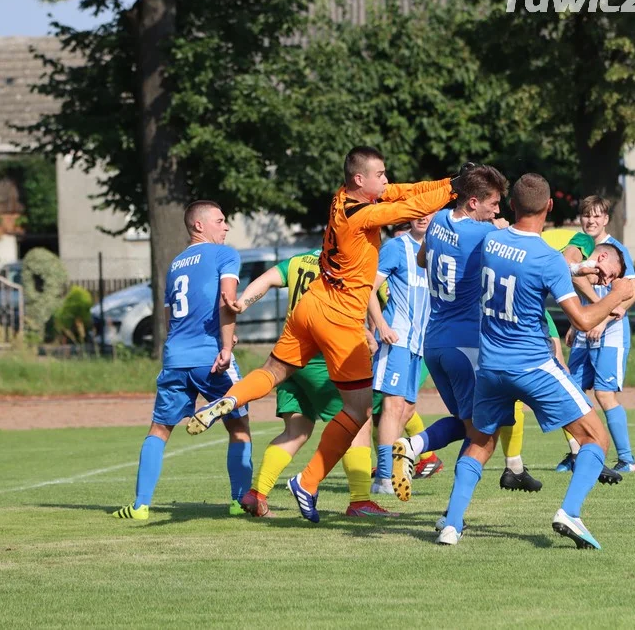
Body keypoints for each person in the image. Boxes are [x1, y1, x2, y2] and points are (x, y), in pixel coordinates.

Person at [188, 146, 456, 523]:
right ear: (360, 180)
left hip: (309, 307)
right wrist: (452, 193)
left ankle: (228, 402)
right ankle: (314, 483)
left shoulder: (342, 197)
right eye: (380, 174)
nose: (386, 179)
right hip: (341, 319)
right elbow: (404, 209)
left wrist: (448, 183)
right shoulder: (361, 214)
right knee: (359, 411)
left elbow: (398, 193)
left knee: (271, 372)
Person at [436, 174, 631, 549]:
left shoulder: (492, 241)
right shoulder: (545, 257)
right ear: (549, 207)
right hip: (532, 366)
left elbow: (528, 265)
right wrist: (617, 293)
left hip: (491, 367)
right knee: (595, 437)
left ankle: (452, 525)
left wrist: (579, 269)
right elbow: (585, 320)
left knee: (480, 441)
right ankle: (570, 512)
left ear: (512, 206)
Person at [391, 165, 545, 501]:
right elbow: (523, 262)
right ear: (473, 202)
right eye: (492, 204)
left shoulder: (439, 220)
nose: (497, 211)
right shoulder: (484, 235)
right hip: (466, 346)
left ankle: (443, 498)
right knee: (481, 433)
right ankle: (415, 448)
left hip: (434, 342)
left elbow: (421, 260)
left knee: (469, 425)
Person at [112, 201, 252, 520]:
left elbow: (167, 319)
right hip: (212, 356)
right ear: (199, 226)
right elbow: (227, 302)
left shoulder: (174, 265)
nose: (226, 227)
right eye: (221, 220)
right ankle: (239, 500)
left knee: (159, 429)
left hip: (175, 357)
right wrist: (227, 344)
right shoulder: (225, 254)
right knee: (239, 425)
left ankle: (140, 505)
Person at [233, 249, 394, 518]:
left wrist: (242, 303)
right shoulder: (351, 261)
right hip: (326, 359)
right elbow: (372, 298)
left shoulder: (299, 260)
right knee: (359, 421)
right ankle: (360, 501)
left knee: (296, 430)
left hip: (291, 356)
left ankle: (257, 493)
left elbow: (266, 279)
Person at [565, 196, 635, 473]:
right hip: (586, 329)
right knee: (571, 391)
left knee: (604, 394)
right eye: (586, 215)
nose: (591, 220)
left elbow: (632, 294)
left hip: (610, 333)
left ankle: (627, 459)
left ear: (606, 219)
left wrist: (602, 322)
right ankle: (576, 455)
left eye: (597, 216)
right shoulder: (580, 248)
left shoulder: (617, 250)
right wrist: (577, 323)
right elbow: (581, 295)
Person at [366, 215, 431, 495]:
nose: (423, 217)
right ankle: (383, 477)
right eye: (417, 212)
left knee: (406, 410)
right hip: (397, 338)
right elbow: (368, 289)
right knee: (392, 406)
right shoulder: (396, 247)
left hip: (421, 343)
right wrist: (380, 325)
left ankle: (389, 464)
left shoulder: (438, 250)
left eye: (428, 213)